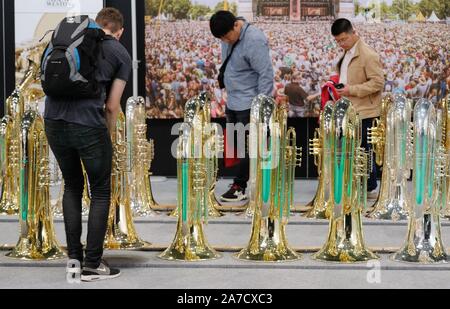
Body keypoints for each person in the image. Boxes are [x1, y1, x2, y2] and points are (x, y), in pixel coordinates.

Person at [44, 7, 132, 281]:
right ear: (119, 31)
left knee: (71, 186)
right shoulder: (119, 53)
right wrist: (108, 135)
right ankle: (93, 263)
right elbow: (112, 105)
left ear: (96, 23)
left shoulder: (64, 39)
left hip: (53, 121)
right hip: (88, 125)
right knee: (101, 191)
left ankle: (74, 260)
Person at [209, 10, 273, 202]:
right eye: (221, 38)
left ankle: (240, 185)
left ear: (236, 25)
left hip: (250, 104)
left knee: (251, 146)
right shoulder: (226, 35)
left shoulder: (254, 39)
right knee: (237, 147)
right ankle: (248, 182)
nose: (225, 41)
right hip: (234, 102)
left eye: (227, 36)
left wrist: (262, 107)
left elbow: (265, 74)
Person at [331, 18, 385, 199]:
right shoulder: (347, 52)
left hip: (365, 111)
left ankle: (369, 187)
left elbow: (378, 83)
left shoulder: (368, 54)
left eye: (343, 39)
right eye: (337, 41)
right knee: (352, 149)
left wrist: (351, 90)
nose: (341, 43)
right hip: (350, 108)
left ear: (354, 33)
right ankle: (356, 183)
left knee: (364, 150)